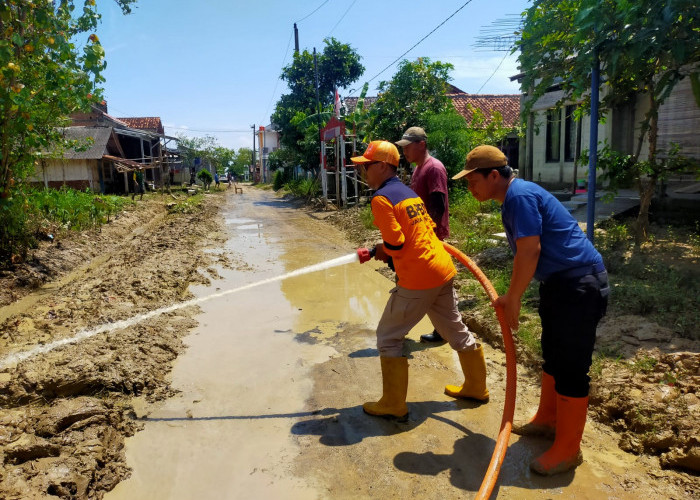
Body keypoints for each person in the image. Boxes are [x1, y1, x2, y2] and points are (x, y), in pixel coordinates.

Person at [452, 145, 609, 475]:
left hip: (580, 285)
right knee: (553, 355)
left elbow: (529, 250)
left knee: (570, 367)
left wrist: (513, 297)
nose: (470, 188)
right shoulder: (512, 198)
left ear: (494, 175)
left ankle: (568, 450)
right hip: (560, 283)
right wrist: (513, 295)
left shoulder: (519, 196)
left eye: (473, 181)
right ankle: (548, 419)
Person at [350, 140, 489, 422]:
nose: (363, 171)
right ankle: (476, 387)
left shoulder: (381, 198)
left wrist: (381, 250)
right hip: (441, 268)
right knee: (454, 329)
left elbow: (398, 244)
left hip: (419, 277)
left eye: (366, 166)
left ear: (381, 166)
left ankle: (392, 404)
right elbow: (409, 237)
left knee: (388, 337)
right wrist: (382, 249)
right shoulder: (407, 193)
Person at [396, 126, 450, 344]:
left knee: (430, 284)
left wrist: (430, 233)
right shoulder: (419, 168)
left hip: (431, 236)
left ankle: (441, 330)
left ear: (422, 145)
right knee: (432, 285)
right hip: (421, 235)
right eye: (403, 147)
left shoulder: (434, 168)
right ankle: (442, 330)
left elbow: (437, 203)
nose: (405, 151)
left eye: (408, 147)